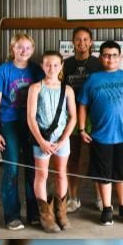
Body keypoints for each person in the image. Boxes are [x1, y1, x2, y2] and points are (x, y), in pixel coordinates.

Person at [77, 40, 123, 226]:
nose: (110, 58)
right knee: (103, 175)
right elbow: (82, 105)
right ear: (100, 57)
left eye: (114, 55)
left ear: (120, 57)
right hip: (100, 135)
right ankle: (107, 209)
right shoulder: (92, 79)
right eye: (106, 55)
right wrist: (82, 129)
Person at [0, 33, 44, 230]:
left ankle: (34, 213)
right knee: (11, 169)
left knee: (32, 169)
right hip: (9, 123)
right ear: (12, 48)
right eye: (20, 47)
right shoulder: (3, 72)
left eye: (28, 47)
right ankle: (12, 215)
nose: (24, 51)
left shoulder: (37, 71)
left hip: (31, 123)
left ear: (33, 50)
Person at [26, 51, 77, 233]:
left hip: (61, 140)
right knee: (42, 176)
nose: (52, 68)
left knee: (61, 174)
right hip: (42, 140)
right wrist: (41, 141)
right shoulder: (35, 88)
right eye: (48, 64)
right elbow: (31, 117)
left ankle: (61, 213)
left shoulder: (67, 90)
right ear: (42, 66)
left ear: (61, 66)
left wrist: (63, 139)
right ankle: (46, 216)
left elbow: (73, 117)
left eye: (56, 65)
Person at [63, 27, 103, 213]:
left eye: (85, 39)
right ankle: (73, 197)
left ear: (91, 41)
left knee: (97, 157)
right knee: (73, 158)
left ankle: (100, 198)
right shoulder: (65, 64)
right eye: (78, 39)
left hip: (95, 116)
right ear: (72, 42)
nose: (82, 43)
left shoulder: (99, 64)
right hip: (71, 116)